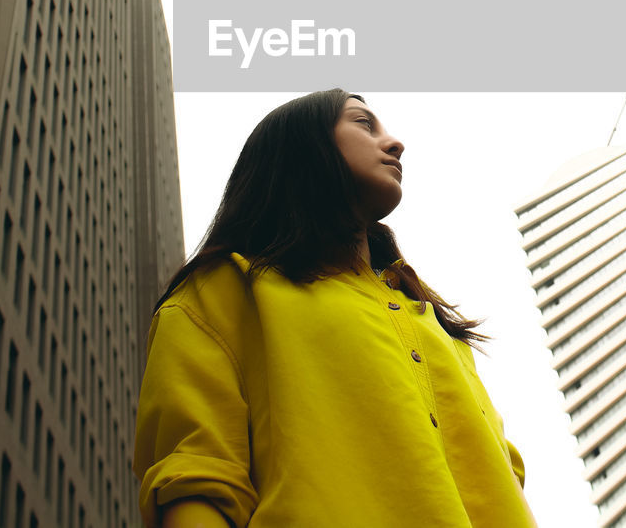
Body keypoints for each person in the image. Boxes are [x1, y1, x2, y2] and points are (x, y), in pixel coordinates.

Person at [133, 89, 536, 528]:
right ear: (302, 147)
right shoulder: (220, 294)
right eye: (364, 123)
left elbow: (507, 477)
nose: (395, 143)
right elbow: (196, 476)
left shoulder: (434, 322)